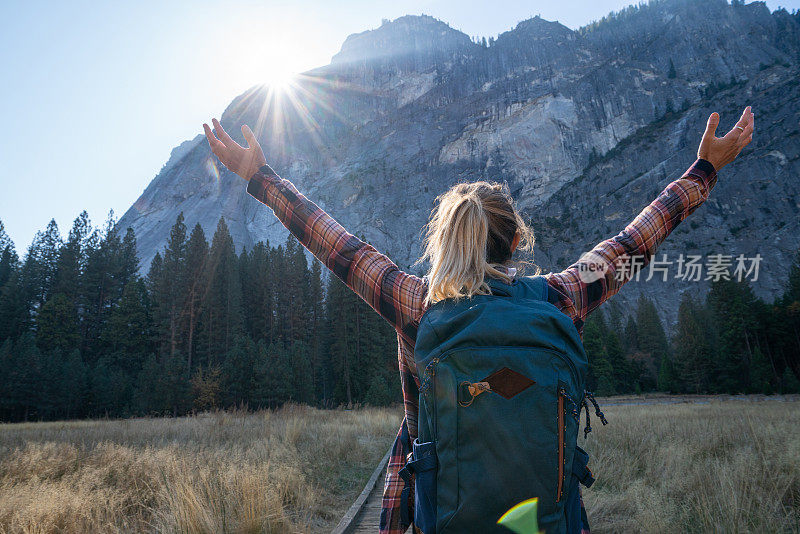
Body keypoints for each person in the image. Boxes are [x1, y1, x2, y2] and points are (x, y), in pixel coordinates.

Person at [203, 105, 754, 533]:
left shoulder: (418, 305)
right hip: (544, 518)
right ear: (516, 242)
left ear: (443, 242)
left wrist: (261, 177)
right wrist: (703, 171)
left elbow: (338, 247)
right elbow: (635, 241)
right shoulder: (561, 298)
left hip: (440, 513)